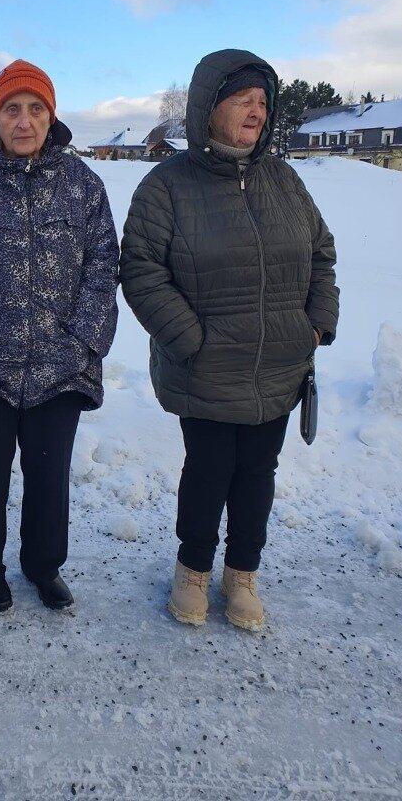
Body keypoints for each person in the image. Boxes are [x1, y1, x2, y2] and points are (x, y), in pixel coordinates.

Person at [120, 49, 339, 631]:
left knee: (258, 472)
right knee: (209, 469)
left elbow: (321, 254)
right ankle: (193, 570)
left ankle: (242, 574)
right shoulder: (167, 186)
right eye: (243, 99)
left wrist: (316, 323)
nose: (256, 111)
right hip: (207, 367)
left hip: (278, 364)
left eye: (262, 101)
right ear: (208, 108)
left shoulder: (285, 180)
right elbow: (140, 270)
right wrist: (191, 341)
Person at [0, 60, 119, 613]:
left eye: (36, 109)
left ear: (51, 117)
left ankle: (44, 565)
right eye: (12, 109)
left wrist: (83, 342)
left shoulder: (83, 185)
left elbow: (104, 265)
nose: (24, 121)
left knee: (49, 479)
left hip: (60, 365)